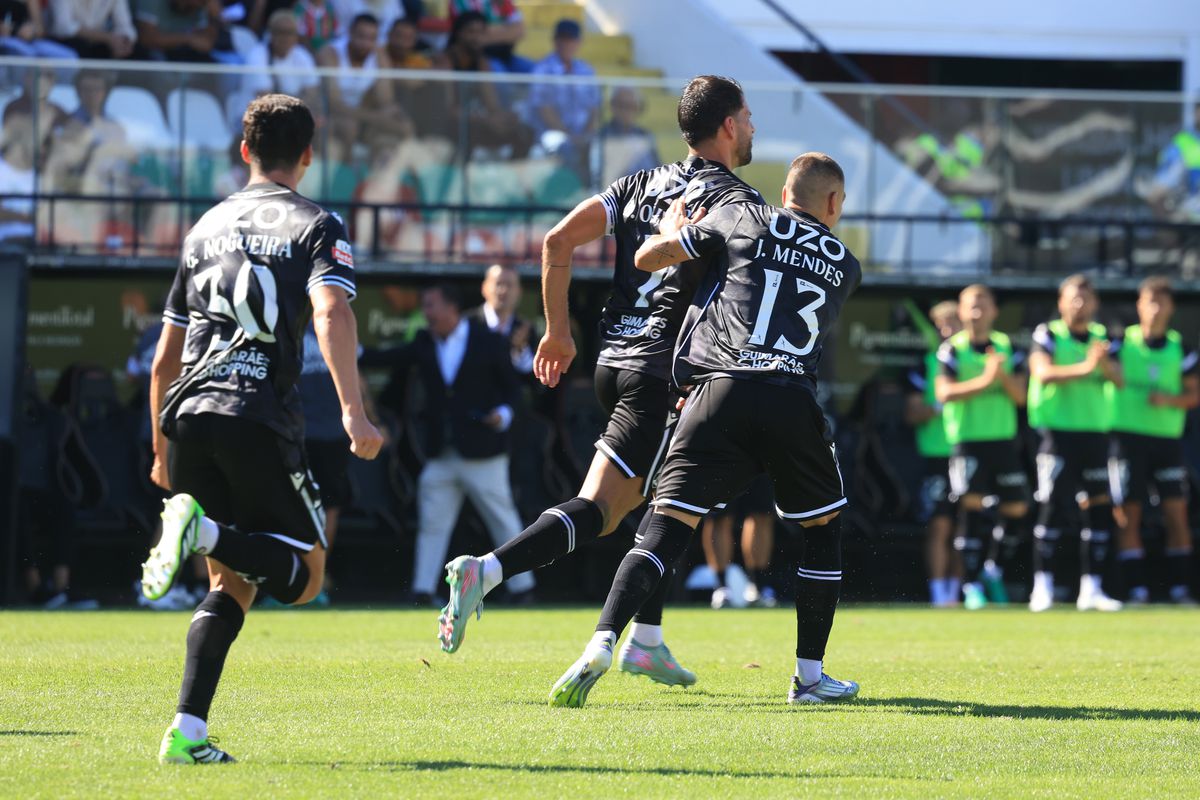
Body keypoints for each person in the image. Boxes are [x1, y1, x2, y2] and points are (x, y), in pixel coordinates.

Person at [436, 76, 762, 692]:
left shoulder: (640, 182)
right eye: (746, 118)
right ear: (726, 126)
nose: (752, 128)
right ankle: (488, 570)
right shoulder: (732, 199)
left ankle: (649, 640)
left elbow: (557, 240)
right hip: (662, 371)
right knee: (609, 511)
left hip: (612, 363)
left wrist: (558, 333)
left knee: (664, 501)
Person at [550, 152, 863, 708]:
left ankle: (602, 638)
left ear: (784, 192)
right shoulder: (846, 263)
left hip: (716, 390)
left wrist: (674, 233)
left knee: (666, 522)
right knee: (824, 527)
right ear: (834, 203)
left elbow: (649, 259)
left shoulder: (741, 215)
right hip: (789, 395)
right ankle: (810, 679)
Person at [140, 93, 384, 764]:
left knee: (231, 584)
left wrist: (161, 450)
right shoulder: (316, 223)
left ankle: (187, 733)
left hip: (187, 414)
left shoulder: (203, 228)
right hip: (254, 412)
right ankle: (203, 528)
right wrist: (353, 409)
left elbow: (164, 357)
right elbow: (332, 313)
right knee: (306, 577)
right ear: (309, 155)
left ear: (243, 150)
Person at [362, 284, 534, 605]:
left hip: (484, 452)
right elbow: (390, 358)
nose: (426, 313)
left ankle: (523, 589)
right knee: (432, 524)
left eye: (431, 305)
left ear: (452, 309)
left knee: (503, 520)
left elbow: (513, 391)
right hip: (441, 453)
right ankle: (423, 590)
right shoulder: (425, 341)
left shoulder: (489, 341)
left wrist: (503, 414)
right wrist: (350, 352)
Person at [1026, 275, 1123, 612]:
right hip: (1057, 434)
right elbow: (1043, 372)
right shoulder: (1047, 334)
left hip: (1095, 433)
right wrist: (1087, 366)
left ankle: (1091, 589)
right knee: (1051, 506)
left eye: (1085, 298)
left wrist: (1104, 363)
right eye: (1073, 297)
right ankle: (1042, 587)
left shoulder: (1104, 338)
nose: (1079, 304)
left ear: (1094, 303)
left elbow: (1119, 379)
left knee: (1097, 508)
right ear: (1061, 301)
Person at [935, 285, 1030, 611]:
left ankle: (992, 569)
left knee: (1017, 507)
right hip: (969, 440)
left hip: (1002, 439)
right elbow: (944, 393)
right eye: (971, 305)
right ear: (961, 311)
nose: (977, 311)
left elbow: (1021, 397)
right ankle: (971, 585)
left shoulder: (1007, 347)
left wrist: (1000, 375)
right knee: (971, 510)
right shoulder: (952, 350)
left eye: (984, 305)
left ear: (994, 311)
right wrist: (986, 379)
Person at [1110, 277, 1199, 605]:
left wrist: (1170, 401)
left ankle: (1179, 588)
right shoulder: (1120, 342)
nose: (1156, 308)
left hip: (1166, 441)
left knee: (1176, 513)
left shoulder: (1182, 349)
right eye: (1150, 301)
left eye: (1162, 302)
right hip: (1127, 438)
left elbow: (1194, 394)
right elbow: (1105, 370)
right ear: (1139, 305)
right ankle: (1136, 589)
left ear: (1172, 307)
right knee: (1127, 513)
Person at [904, 300, 963, 607]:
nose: (948, 329)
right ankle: (940, 595)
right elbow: (912, 413)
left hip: (971, 450)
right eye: (942, 324)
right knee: (940, 525)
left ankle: (960, 592)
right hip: (937, 454)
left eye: (954, 321)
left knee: (965, 526)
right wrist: (938, 405)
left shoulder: (977, 358)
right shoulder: (924, 365)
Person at [441, 10, 531, 158]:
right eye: (471, 32)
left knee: (524, 133)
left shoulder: (482, 62)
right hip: (447, 127)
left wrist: (504, 117)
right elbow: (449, 111)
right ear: (458, 33)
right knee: (469, 133)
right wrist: (486, 120)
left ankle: (511, 178)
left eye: (481, 33)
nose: (476, 38)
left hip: (473, 122)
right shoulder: (444, 62)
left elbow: (492, 104)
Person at [528, 19, 600, 176]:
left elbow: (594, 108)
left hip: (583, 135)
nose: (566, 44)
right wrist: (570, 136)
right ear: (555, 41)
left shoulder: (586, 70)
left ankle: (600, 195)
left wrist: (585, 135)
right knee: (563, 146)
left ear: (578, 42)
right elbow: (544, 109)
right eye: (562, 39)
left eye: (571, 39)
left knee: (601, 147)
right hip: (551, 134)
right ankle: (571, 194)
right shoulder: (543, 69)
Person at [701, 475, 777, 608]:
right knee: (719, 517)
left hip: (764, 457)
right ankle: (721, 588)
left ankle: (757, 588)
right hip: (724, 456)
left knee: (762, 516)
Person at [240, 10, 319, 104]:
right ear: (271, 34)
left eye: (290, 33)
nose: (285, 38)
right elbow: (265, 98)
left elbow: (313, 92)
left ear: (296, 36)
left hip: (294, 114)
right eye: (280, 32)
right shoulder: (257, 55)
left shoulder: (302, 55)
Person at [468, 263, 534, 374]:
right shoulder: (466, 324)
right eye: (498, 284)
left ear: (519, 291)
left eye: (509, 285)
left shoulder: (525, 329)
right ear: (484, 287)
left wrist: (520, 350)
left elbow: (532, 379)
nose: (503, 290)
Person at [592, 86, 660, 187]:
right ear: (612, 106)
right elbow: (598, 175)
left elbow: (658, 170)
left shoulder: (645, 136)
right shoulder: (603, 136)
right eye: (622, 105)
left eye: (632, 106)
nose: (627, 111)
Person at [448, 0, 527, 73]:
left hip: (507, 56)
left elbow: (519, 32)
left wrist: (489, 34)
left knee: (534, 72)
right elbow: (475, 34)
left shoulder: (503, 2)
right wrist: (506, 31)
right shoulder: (460, 2)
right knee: (501, 78)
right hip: (480, 58)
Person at [133, 0, 220, 62]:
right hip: (147, 55)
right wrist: (189, 39)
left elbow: (206, 45)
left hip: (182, 55)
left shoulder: (201, 4)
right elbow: (147, 40)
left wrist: (214, 17)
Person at [47, 0, 137, 59]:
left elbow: (125, 26)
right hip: (66, 44)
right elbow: (63, 27)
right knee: (80, 46)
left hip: (100, 45)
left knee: (137, 53)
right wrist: (108, 38)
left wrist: (124, 42)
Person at [0, 0, 80, 59]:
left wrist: (31, 31)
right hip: (6, 42)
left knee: (69, 56)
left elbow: (39, 30)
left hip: (27, 43)